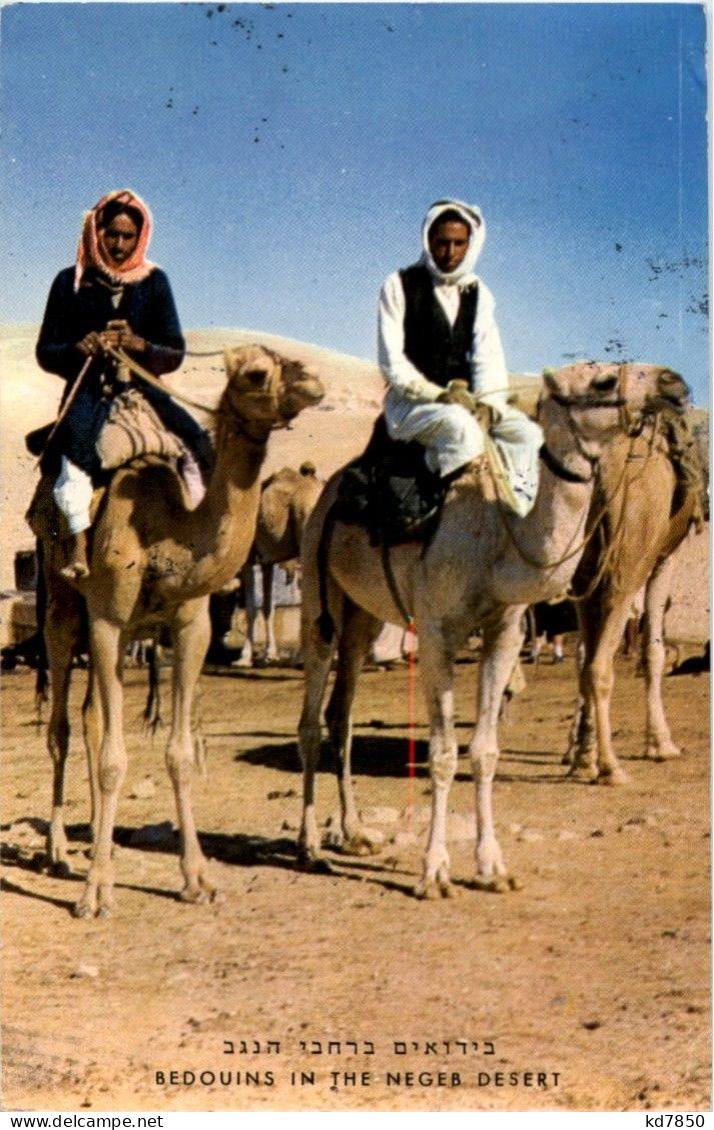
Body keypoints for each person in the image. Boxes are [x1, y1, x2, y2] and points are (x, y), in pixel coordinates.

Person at [35, 188, 210, 579]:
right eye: (111, 234)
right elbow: (47, 351)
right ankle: (78, 544)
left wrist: (139, 345)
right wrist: (80, 348)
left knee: (198, 445)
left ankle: (205, 557)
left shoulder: (154, 282)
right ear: (97, 232)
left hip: (143, 393)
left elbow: (174, 351)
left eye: (127, 236)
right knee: (75, 453)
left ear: (140, 237)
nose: (117, 244)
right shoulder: (70, 283)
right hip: (89, 394)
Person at [377, 198, 543, 516]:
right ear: (428, 240)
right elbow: (392, 364)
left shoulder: (479, 292)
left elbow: (488, 357)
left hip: (468, 404)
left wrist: (488, 407)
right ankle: (440, 515)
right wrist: (440, 394)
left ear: (470, 244)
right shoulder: (398, 285)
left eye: (458, 243)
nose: (450, 253)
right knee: (462, 432)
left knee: (527, 434)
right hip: (414, 405)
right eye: (442, 243)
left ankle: (519, 513)